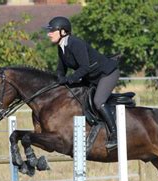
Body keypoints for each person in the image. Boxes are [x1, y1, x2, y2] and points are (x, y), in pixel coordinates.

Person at [44, 16, 120, 150]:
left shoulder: (75, 43)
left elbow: (85, 67)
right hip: (91, 77)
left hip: (107, 74)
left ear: (63, 32)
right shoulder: (62, 47)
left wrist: (69, 79)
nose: (48, 34)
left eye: (51, 31)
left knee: (98, 101)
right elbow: (61, 69)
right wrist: (58, 80)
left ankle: (115, 135)